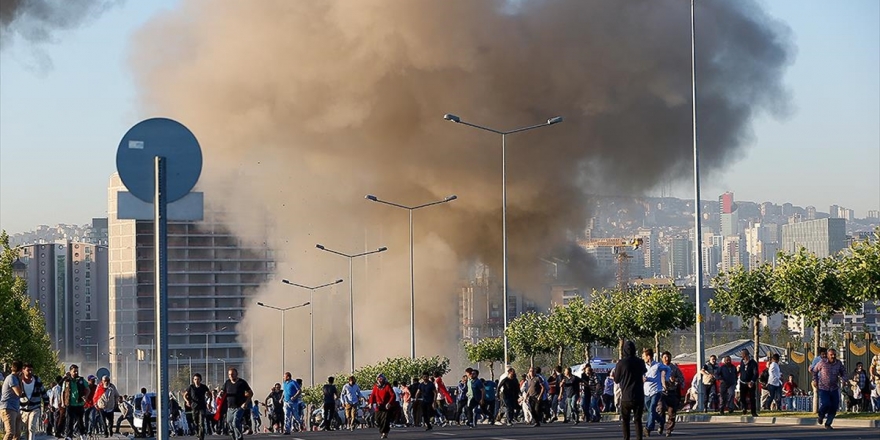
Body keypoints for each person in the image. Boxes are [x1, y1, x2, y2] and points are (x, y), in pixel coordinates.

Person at [614, 341, 648, 440]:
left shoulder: (621, 363)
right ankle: (639, 438)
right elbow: (644, 371)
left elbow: (616, 379)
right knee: (638, 420)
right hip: (638, 395)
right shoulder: (640, 362)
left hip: (626, 396)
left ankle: (626, 438)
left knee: (625, 420)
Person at [813, 348, 847, 429]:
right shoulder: (822, 363)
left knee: (834, 406)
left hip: (834, 388)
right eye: (831, 355)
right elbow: (814, 371)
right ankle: (821, 415)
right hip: (823, 388)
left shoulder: (838, 363)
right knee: (826, 403)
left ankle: (828, 423)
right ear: (827, 355)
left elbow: (843, 371)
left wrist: (844, 379)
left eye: (834, 354)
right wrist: (815, 380)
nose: (833, 356)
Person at [643, 347, 670, 436]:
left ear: (649, 356)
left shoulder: (657, 365)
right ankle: (661, 421)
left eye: (644, 356)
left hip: (656, 391)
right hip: (646, 391)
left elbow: (668, 369)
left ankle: (648, 428)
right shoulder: (643, 366)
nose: (643, 358)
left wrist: (665, 379)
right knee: (651, 411)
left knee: (652, 408)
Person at [19, 362, 49, 440]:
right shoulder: (19, 380)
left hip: (35, 407)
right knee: (25, 429)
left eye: (31, 370)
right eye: (28, 370)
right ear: (23, 370)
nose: (30, 372)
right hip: (23, 408)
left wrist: (46, 403)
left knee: (31, 427)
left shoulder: (37, 380)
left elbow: (43, 392)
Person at [222, 368, 253, 440]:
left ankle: (239, 438)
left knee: (235, 423)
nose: (231, 376)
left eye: (233, 374)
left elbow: (251, 393)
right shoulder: (227, 383)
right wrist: (221, 393)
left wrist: (246, 403)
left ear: (237, 374)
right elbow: (223, 391)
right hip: (230, 408)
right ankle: (234, 437)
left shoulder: (242, 383)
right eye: (229, 374)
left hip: (239, 407)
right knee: (230, 424)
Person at [62, 364, 90, 440]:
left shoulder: (81, 380)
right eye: (74, 371)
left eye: (77, 371)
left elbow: (88, 389)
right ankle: (69, 436)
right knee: (69, 420)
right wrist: (62, 402)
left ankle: (82, 434)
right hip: (70, 404)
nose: (76, 373)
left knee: (80, 420)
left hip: (79, 403)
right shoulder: (66, 381)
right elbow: (63, 392)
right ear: (70, 372)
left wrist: (85, 396)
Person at [661, 351, 684, 437]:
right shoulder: (659, 368)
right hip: (661, 393)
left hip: (672, 392)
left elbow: (681, 379)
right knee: (660, 409)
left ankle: (669, 429)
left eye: (668, 357)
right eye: (665, 357)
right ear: (662, 358)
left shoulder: (674, 368)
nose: (667, 359)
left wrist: (675, 380)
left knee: (672, 412)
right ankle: (661, 424)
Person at [1, 360, 24, 440]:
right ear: (21, 370)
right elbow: (19, 393)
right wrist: (21, 380)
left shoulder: (15, 378)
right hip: (8, 408)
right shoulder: (12, 378)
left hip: (15, 408)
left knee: (17, 434)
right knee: (10, 433)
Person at [368, 374, 397, 439]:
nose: (380, 380)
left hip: (386, 406)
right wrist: (371, 403)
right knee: (377, 420)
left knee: (385, 420)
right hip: (378, 406)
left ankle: (384, 433)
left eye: (381, 378)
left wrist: (389, 403)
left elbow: (393, 395)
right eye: (379, 379)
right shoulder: (375, 386)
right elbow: (372, 395)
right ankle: (383, 431)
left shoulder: (387, 386)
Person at [185, 374, 210, 440]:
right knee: (195, 422)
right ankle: (197, 434)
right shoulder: (191, 387)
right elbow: (184, 395)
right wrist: (187, 401)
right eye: (195, 379)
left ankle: (201, 437)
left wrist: (209, 403)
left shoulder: (203, 387)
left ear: (200, 380)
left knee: (201, 423)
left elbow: (210, 394)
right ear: (193, 380)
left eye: (198, 379)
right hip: (194, 407)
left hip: (202, 406)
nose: (196, 381)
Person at [737, 349, 759, 417]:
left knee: (752, 398)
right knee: (742, 398)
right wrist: (738, 370)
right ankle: (744, 407)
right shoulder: (742, 362)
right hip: (743, 383)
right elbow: (742, 370)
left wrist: (752, 381)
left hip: (750, 383)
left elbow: (756, 373)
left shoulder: (753, 363)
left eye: (742, 354)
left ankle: (753, 412)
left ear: (746, 354)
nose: (741, 356)